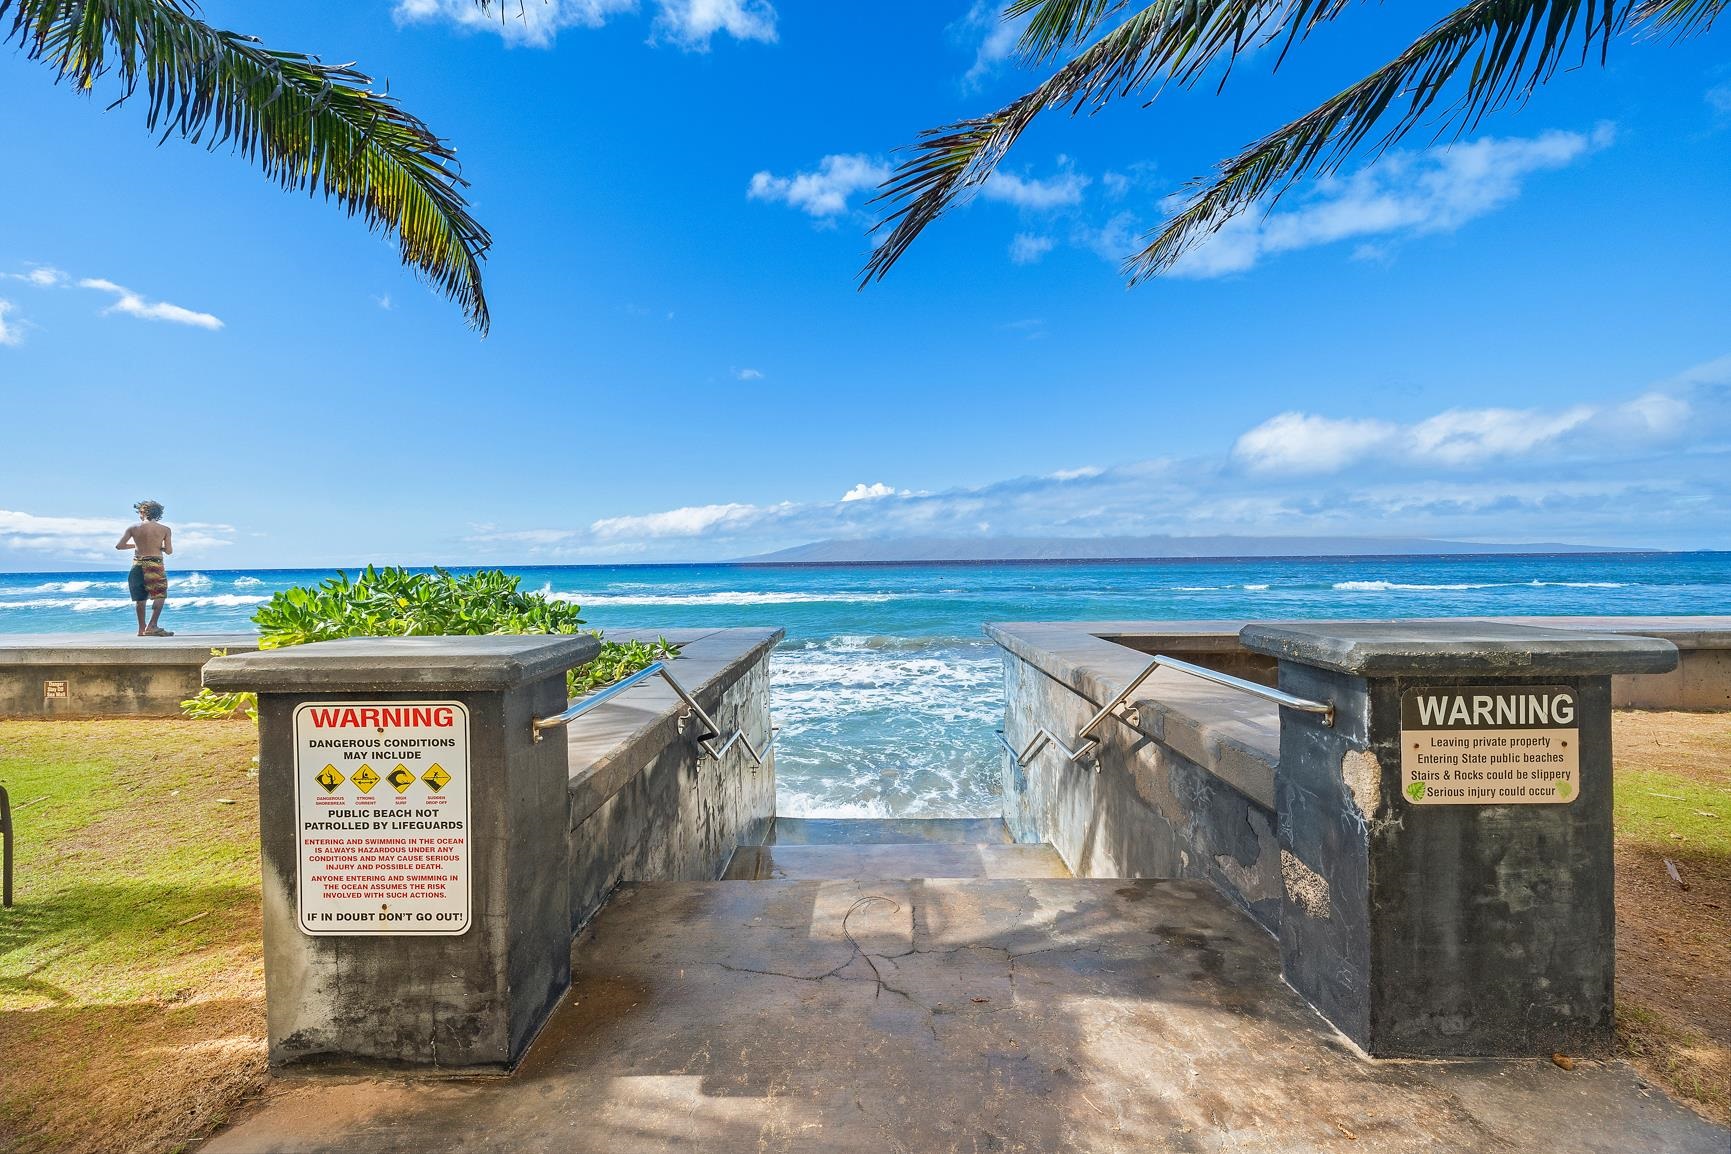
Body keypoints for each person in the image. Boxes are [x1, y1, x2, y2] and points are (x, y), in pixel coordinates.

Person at [116, 500, 174, 637]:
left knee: (140, 598)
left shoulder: (133, 528)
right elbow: (169, 551)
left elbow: (119, 545)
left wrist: (136, 545)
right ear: (158, 514)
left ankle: (142, 629)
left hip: (137, 565)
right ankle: (152, 625)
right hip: (155, 564)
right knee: (159, 595)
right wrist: (159, 546)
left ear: (143, 512)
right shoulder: (165, 529)